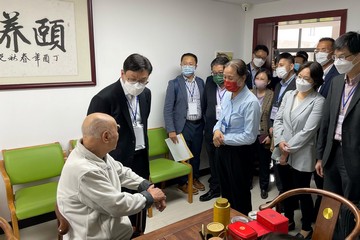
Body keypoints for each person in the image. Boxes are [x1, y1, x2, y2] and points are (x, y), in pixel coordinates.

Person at [57, 113, 166, 240]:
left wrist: (146, 186)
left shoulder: (94, 152)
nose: (119, 133)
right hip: (96, 235)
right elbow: (117, 205)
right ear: (106, 136)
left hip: (113, 227)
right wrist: (150, 196)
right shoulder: (84, 170)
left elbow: (122, 172)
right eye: (117, 129)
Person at [87, 53, 152, 236]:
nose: (138, 85)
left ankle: (138, 233)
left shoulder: (146, 94)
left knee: (140, 205)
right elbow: (93, 137)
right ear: (122, 73)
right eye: (133, 79)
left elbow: (141, 125)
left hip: (140, 156)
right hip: (116, 161)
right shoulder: (104, 98)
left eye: (144, 80)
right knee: (118, 211)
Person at [272, 61, 325, 239]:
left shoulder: (318, 101)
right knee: (286, 190)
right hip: (281, 148)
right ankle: (288, 219)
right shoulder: (289, 94)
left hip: (302, 153)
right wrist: (280, 141)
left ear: (315, 81)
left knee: (302, 192)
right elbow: (278, 120)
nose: (301, 81)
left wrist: (287, 149)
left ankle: (306, 226)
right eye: (299, 76)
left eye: (306, 78)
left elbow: (308, 131)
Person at [316, 31, 360, 239]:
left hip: (355, 157)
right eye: (337, 57)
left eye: (344, 57)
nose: (339, 62)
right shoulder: (335, 82)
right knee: (330, 202)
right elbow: (326, 121)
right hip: (331, 152)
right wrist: (320, 155)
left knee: (350, 207)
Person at [213, 59, 261, 215]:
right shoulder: (227, 95)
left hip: (240, 153)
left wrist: (223, 139)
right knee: (225, 190)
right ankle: (227, 222)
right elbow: (220, 119)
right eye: (224, 77)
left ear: (243, 78)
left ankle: (242, 227)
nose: (226, 81)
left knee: (239, 193)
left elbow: (250, 137)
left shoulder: (251, 102)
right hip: (223, 149)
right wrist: (216, 131)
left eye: (230, 78)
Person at [163, 53, 205, 195]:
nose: (188, 66)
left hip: (198, 124)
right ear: (181, 65)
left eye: (191, 63)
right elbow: (168, 109)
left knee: (197, 154)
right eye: (185, 63)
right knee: (182, 156)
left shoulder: (200, 82)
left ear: (196, 66)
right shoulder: (174, 83)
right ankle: (182, 183)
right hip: (183, 125)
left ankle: (195, 178)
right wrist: (171, 130)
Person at [312, 37, 339, 221]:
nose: (319, 52)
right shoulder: (316, 71)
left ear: (332, 52)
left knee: (325, 182)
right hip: (314, 136)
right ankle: (317, 212)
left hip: (327, 134)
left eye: (324, 49)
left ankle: (323, 217)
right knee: (317, 175)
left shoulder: (337, 75)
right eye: (317, 48)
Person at [200, 56, 229, 202]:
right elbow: (204, 104)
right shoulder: (209, 82)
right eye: (214, 73)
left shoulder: (233, 85)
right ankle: (215, 188)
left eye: (220, 72)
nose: (217, 76)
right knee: (213, 160)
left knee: (227, 160)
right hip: (211, 128)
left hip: (228, 131)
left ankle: (227, 189)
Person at [269, 52, 297, 194]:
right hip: (276, 127)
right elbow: (274, 106)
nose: (278, 68)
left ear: (291, 66)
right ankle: (282, 196)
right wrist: (271, 125)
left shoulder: (298, 84)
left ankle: (288, 198)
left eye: (281, 65)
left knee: (286, 166)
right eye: (277, 66)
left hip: (288, 131)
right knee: (277, 162)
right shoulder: (279, 84)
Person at [251, 68, 274, 199]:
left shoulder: (272, 95)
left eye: (262, 79)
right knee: (248, 160)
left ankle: (264, 187)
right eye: (257, 78)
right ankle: (248, 183)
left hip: (264, 133)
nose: (259, 81)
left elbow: (273, 117)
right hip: (250, 132)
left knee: (264, 161)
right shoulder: (249, 92)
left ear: (268, 81)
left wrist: (270, 136)